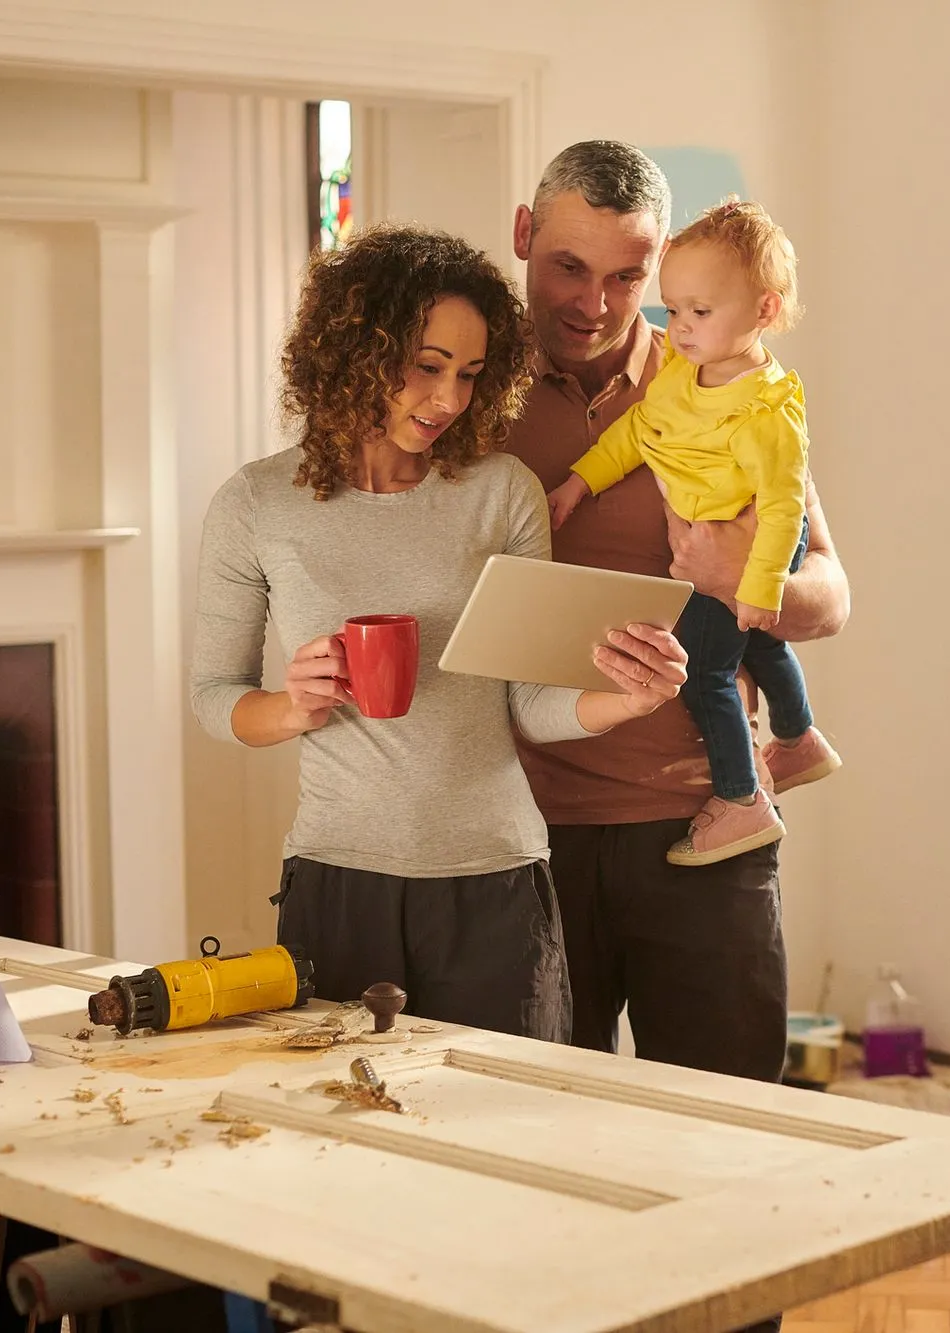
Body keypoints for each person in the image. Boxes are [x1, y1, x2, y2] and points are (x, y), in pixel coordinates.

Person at [189, 222, 688, 1037]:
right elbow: (215, 696)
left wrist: (625, 700)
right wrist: (290, 707)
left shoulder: (503, 492)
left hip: (497, 881)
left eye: (469, 373)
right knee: (344, 1135)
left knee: (503, 1139)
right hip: (337, 880)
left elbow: (527, 703)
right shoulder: (256, 504)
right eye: (426, 368)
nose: (449, 400)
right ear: (354, 352)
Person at [504, 140, 852, 1089]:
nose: (596, 303)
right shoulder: (463, 391)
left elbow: (831, 592)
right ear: (523, 236)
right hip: (524, 833)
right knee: (539, 1127)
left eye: (627, 277)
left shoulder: (724, 385)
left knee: (726, 1133)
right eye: (568, 267)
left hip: (707, 820)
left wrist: (751, 573)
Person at [547, 197, 840, 867]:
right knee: (757, 647)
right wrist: (580, 482)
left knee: (709, 668)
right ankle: (798, 738)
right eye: (672, 309)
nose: (677, 328)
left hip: (755, 546)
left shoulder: (769, 410)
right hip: (723, 549)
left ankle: (740, 801)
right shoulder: (683, 374)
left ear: (763, 311)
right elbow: (637, 433)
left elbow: (786, 507)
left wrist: (754, 581)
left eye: (699, 313)